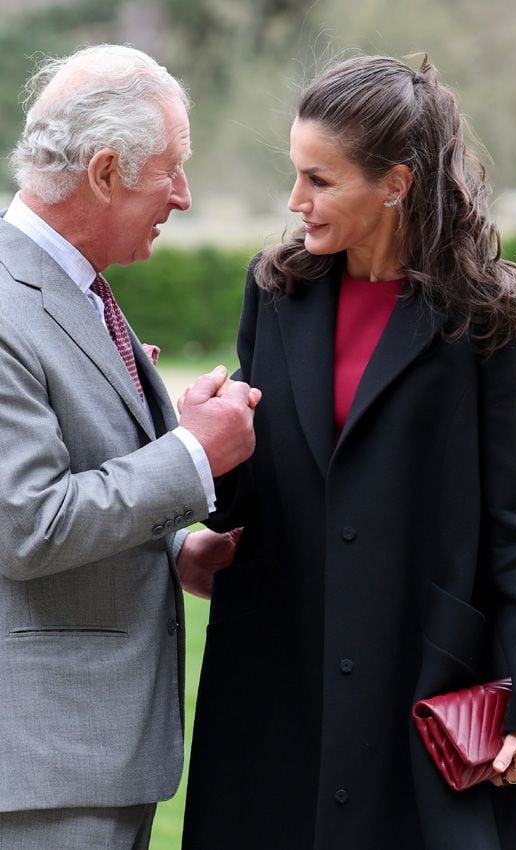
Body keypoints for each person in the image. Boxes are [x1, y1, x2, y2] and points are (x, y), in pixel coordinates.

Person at [182, 54, 516, 850]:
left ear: (396, 183)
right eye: (295, 174)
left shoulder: (490, 317)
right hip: (279, 665)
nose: (295, 202)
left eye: (320, 179)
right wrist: (211, 445)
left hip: (422, 675)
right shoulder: (276, 292)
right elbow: (254, 491)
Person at [0, 43, 260, 849]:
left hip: (89, 759)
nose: (182, 196)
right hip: (46, 769)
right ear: (107, 172)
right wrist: (190, 455)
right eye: (172, 168)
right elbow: (28, 523)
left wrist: (176, 548)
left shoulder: (73, 288)